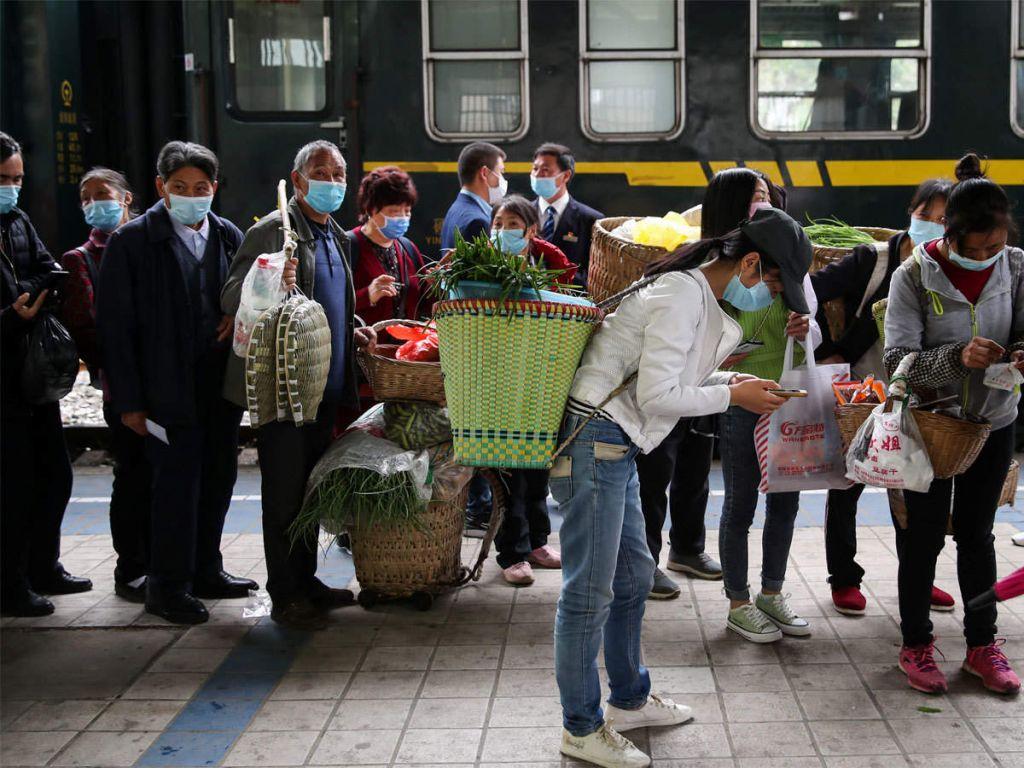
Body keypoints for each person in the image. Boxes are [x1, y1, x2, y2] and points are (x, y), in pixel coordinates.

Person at [554, 210, 809, 768]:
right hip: (595, 441)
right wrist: (733, 397)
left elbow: (675, 379)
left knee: (632, 578)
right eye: (771, 283)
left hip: (614, 444)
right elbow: (659, 397)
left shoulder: (695, 295)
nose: (770, 296)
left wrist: (733, 381)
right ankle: (580, 727)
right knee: (588, 593)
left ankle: (629, 699)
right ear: (747, 263)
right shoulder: (680, 296)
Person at [98, 141, 257, 625]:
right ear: (159, 188)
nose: (192, 196)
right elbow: (115, 330)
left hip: (217, 385)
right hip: (165, 390)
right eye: (180, 187)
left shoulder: (228, 235)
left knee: (217, 478)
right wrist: (129, 401)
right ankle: (167, 586)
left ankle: (207, 569)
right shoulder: (132, 243)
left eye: (202, 188)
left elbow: (250, 293)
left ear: (215, 188)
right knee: (174, 488)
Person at [222, 140, 375, 631]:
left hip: (323, 385)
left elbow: (325, 302)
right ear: (299, 176)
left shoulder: (335, 236)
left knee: (309, 491)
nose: (332, 181)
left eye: (339, 173)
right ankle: (285, 591)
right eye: (320, 171)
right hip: (283, 386)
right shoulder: (275, 231)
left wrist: (352, 326)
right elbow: (232, 297)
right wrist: (270, 277)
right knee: (285, 493)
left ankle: (306, 582)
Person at [884, 153, 1021, 695]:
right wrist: (957, 358)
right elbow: (897, 362)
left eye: (995, 246)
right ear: (949, 231)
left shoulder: (1017, 266)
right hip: (929, 426)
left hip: (994, 422)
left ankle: (982, 647)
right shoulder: (912, 274)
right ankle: (916, 645)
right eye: (975, 248)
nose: (986, 257)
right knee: (921, 540)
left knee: (976, 534)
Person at [812, 178, 957, 617]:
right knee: (849, 484)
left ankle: (917, 577)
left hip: (919, 393)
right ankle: (844, 579)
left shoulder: (950, 267)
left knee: (913, 486)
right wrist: (829, 351)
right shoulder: (871, 260)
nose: (931, 225)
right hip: (863, 388)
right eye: (924, 214)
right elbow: (810, 290)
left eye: (943, 220)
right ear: (909, 211)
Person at [711, 169, 823, 644]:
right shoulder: (725, 273)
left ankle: (772, 593)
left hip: (787, 401)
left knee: (785, 502)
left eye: (765, 196)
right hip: (740, 401)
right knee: (740, 505)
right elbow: (707, 347)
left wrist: (806, 331)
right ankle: (738, 601)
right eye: (752, 197)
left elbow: (815, 331)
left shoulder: (790, 266)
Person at [0, 131, 91, 617]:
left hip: (31, 374)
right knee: (11, 485)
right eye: (2, 179)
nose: (11, 188)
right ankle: (11, 582)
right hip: (4, 377)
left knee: (52, 474)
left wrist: (29, 297)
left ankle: (43, 564)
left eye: (16, 178)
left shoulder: (16, 220)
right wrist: (11, 315)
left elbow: (49, 269)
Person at [60, 167, 151, 602]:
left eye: (104, 194)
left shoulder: (151, 244)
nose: (96, 203)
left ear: (127, 199)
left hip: (167, 384)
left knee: (166, 477)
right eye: (87, 197)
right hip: (123, 388)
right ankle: (131, 569)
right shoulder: (81, 260)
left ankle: (166, 562)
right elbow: (88, 331)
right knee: (133, 475)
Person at [487, 194, 577, 586]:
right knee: (509, 471)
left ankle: (538, 543)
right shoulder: (481, 262)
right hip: (498, 377)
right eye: (499, 223)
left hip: (541, 377)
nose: (504, 231)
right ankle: (512, 553)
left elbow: (572, 294)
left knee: (538, 465)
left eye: (512, 224)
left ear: (531, 229)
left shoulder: (549, 259)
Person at [440, 142, 508, 536]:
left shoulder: (458, 210)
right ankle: (480, 509)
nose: (503, 179)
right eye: (501, 170)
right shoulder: (478, 220)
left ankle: (476, 506)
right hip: (477, 335)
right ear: (485, 173)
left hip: (461, 333)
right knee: (480, 426)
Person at [351, 166, 431, 326]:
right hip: (364, 347)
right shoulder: (348, 246)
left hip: (405, 348)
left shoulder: (408, 248)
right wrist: (367, 296)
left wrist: (435, 285)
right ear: (370, 209)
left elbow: (425, 304)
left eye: (407, 212)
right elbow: (331, 304)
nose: (402, 218)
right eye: (394, 212)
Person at [530, 143, 604, 288]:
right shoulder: (522, 214)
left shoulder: (590, 220)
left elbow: (595, 272)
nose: (537, 175)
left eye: (545, 170)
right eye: (535, 169)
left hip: (572, 302)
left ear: (566, 175)